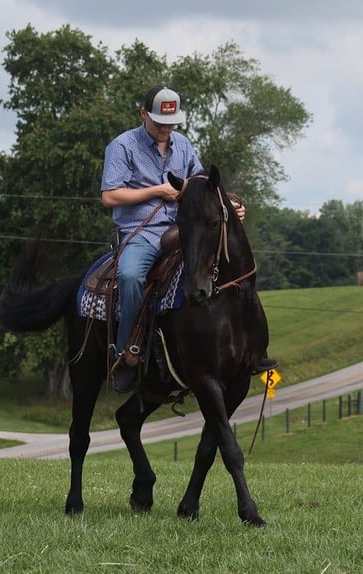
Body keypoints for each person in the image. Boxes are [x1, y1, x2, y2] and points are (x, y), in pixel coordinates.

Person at [101, 85, 276, 392]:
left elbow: (201, 184)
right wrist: (157, 191)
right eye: (158, 123)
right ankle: (126, 353)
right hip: (141, 233)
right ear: (143, 114)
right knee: (129, 276)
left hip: (183, 231)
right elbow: (110, 196)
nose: (165, 129)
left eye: (170, 124)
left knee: (234, 267)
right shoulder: (122, 146)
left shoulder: (182, 145)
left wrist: (229, 207)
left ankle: (251, 348)